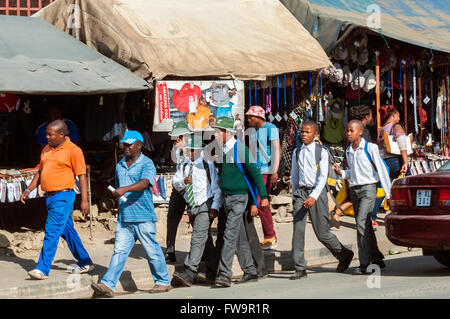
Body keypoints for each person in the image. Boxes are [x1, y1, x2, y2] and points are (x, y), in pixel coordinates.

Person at [91, 130, 171, 297]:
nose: (125, 146)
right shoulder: (120, 165)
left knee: (151, 250)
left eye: (130, 144)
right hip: (125, 217)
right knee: (119, 251)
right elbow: (119, 190)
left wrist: (124, 189)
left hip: (143, 216)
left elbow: (144, 183)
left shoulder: (147, 163)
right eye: (124, 144)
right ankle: (108, 284)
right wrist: (119, 208)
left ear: (139, 145)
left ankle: (163, 282)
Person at [20, 120, 94, 280]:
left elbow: (81, 176)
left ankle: (42, 268)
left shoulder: (74, 150)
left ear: (62, 135)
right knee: (67, 230)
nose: (46, 137)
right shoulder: (46, 149)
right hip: (49, 197)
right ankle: (85, 261)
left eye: (50, 134)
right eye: (46, 133)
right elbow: (40, 172)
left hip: (63, 196)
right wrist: (28, 189)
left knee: (51, 231)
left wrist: (84, 200)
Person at [290, 120, 354, 280]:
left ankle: (344, 254)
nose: (303, 134)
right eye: (302, 132)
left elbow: (323, 177)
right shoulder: (297, 152)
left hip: (317, 193)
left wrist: (313, 196)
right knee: (298, 230)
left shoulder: (322, 151)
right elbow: (295, 175)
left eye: (307, 132)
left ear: (315, 134)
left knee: (322, 233)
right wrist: (294, 196)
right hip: (301, 193)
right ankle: (299, 267)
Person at [212, 117, 269, 287]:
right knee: (238, 237)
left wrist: (263, 197)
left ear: (228, 132)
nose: (214, 134)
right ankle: (250, 270)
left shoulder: (240, 149)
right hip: (226, 197)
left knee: (229, 234)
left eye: (218, 131)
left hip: (239, 198)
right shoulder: (222, 150)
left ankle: (224, 274)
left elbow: (255, 173)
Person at [334, 120, 392, 274]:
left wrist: (389, 195)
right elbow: (351, 173)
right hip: (355, 191)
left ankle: (364, 263)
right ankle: (377, 258)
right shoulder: (348, 150)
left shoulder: (370, 147)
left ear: (360, 132)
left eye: (351, 130)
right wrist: (342, 173)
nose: (348, 133)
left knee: (360, 223)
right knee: (365, 225)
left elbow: (382, 170)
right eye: (347, 131)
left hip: (368, 189)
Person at [171, 135, 222, 286]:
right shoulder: (185, 165)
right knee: (205, 239)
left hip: (205, 204)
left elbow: (216, 188)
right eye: (189, 150)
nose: (189, 153)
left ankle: (190, 270)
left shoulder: (207, 164)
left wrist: (215, 206)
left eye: (193, 150)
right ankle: (213, 271)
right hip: (192, 206)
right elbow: (176, 182)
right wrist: (183, 181)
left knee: (197, 238)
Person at [246, 105, 280, 250]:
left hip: (267, 171)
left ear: (258, 117)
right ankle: (270, 237)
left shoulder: (271, 128)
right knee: (261, 204)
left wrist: (274, 170)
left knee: (261, 203)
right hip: (256, 171)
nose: (248, 119)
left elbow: (276, 149)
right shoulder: (253, 132)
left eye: (250, 117)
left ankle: (270, 237)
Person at [374, 107, 409, 226]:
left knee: (384, 188)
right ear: (393, 115)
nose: (399, 118)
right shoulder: (396, 126)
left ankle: (372, 216)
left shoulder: (381, 130)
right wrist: (405, 162)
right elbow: (402, 145)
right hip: (395, 160)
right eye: (398, 115)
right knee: (407, 186)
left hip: (384, 161)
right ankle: (407, 214)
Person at [165, 121, 192, 263]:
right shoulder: (176, 146)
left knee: (196, 220)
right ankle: (170, 250)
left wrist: (184, 150)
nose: (176, 139)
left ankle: (204, 253)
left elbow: (196, 162)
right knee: (172, 219)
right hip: (178, 187)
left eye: (179, 136)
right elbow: (175, 163)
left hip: (191, 189)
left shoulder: (195, 144)